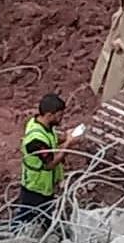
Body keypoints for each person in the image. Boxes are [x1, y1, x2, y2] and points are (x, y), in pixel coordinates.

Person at [15, 93, 78, 226]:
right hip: (36, 186)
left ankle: (47, 230)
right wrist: (68, 144)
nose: (61, 118)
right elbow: (50, 164)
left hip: (46, 185)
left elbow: (51, 140)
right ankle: (15, 234)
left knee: (45, 214)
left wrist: (66, 137)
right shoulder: (35, 140)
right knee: (27, 216)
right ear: (49, 115)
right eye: (59, 115)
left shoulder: (40, 123)